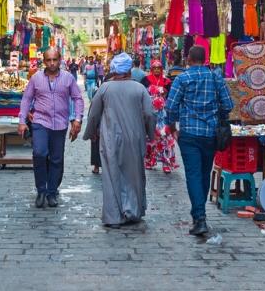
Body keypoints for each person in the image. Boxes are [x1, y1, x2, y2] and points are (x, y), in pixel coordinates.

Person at [83, 53, 156, 229]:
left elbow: (93, 113)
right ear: (129, 69)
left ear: (113, 70)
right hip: (134, 137)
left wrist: (91, 132)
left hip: (110, 138)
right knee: (134, 175)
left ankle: (113, 216)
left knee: (111, 174)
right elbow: (150, 114)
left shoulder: (105, 89)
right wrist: (150, 134)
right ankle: (133, 212)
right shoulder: (139, 89)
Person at [166, 46, 233, 236]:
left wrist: (172, 129)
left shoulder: (182, 79)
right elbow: (228, 105)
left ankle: (199, 217)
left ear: (188, 59)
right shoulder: (216, 78)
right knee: (204, 174)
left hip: (189, 134)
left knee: (194, 175)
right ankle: (200, 215)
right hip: (210, 134)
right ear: (205, 60)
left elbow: (170, 107)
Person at [18, 48, 84, 208]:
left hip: (60, 124)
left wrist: (78, 119)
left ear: (60, 59)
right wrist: (22, 120)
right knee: (39, 154)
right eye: (49, 60)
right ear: (44, 61)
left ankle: (52, 192)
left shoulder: (68, 78)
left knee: (56, 159)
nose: (52, 63)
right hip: (40, 122)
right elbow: (27, 98)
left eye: (54, 59)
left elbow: (77, 98)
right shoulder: (36, 78)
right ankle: (41, 190)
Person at [141, 60, 177, 173]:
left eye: (159, 68)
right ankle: (149, 161)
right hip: (149, 113)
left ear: (161, 69)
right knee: (150, 137)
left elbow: (171, 97)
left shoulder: (167, 81)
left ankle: (166, 163)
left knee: (165, 137)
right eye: (154, 67)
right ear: (151, 69)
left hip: (163, 114)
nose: (157, 69)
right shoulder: (145, 80)